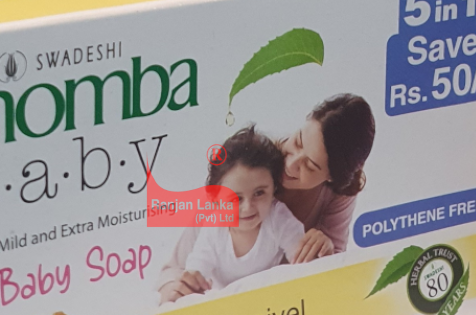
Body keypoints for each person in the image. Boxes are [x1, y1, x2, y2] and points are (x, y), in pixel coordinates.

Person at [158, 94, 375, 304]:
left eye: (310, 166)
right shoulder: (251, 166)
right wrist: (174, 288)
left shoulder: (337, 193)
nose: (291, 164)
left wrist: (326, 250)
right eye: (298, 142)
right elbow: (177, 268)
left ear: (331, 177)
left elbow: (331, 275)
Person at [183, 126, 305, 292]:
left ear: (274, 189)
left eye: (259, 193)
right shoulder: (214, 229)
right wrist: (193, 279)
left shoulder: (278, 217)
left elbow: (302, 260)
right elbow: (197, 267)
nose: (248, 207)